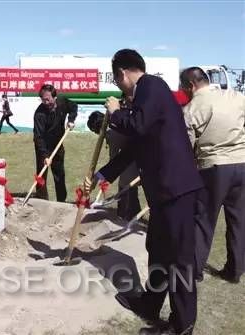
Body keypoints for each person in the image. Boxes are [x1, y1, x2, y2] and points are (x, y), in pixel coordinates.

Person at [91, 49, 203, 335]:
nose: (119, 88)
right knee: (159, 251)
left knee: (179, 258)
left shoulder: (151, 85)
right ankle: (150, 304)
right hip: (163, 192)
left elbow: (136, 126)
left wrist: (116, 112)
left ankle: (182, 325)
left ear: (123, 73)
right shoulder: (146, 98)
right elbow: (135, 146)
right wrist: (103, 174)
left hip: (176, 188)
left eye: (118, 81)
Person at [181, 66, 245, 284]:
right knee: (239, 220)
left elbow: (186, 145)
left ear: (191, 85)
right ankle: (235, 269)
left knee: (204, 219)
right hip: (242, 163)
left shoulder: (193, 107)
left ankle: (195, 269)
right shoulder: (236, 96)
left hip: (214, 166)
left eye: (184, 88)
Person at [87, 106, 141, 220]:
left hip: (136, 157)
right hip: (131, 155)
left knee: (126, 183)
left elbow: (115, 159)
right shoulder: (114, 123)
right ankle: (129, 212)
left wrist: (99, 177)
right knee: (126, 183)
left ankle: (127, 214)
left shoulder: (111, 133)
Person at [33, 84, 76, 202]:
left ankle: (62, 202)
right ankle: (42, 201)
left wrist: (71, 120)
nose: (45, 102)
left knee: (59, 175)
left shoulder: (62, 102)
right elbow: (38, 137)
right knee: (41, 176)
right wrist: (45, 156)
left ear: (54, 97)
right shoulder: (39, 114)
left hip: (58, 144)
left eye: (47, 99)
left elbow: (73, 107)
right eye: (43, 99)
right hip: (43, 147)